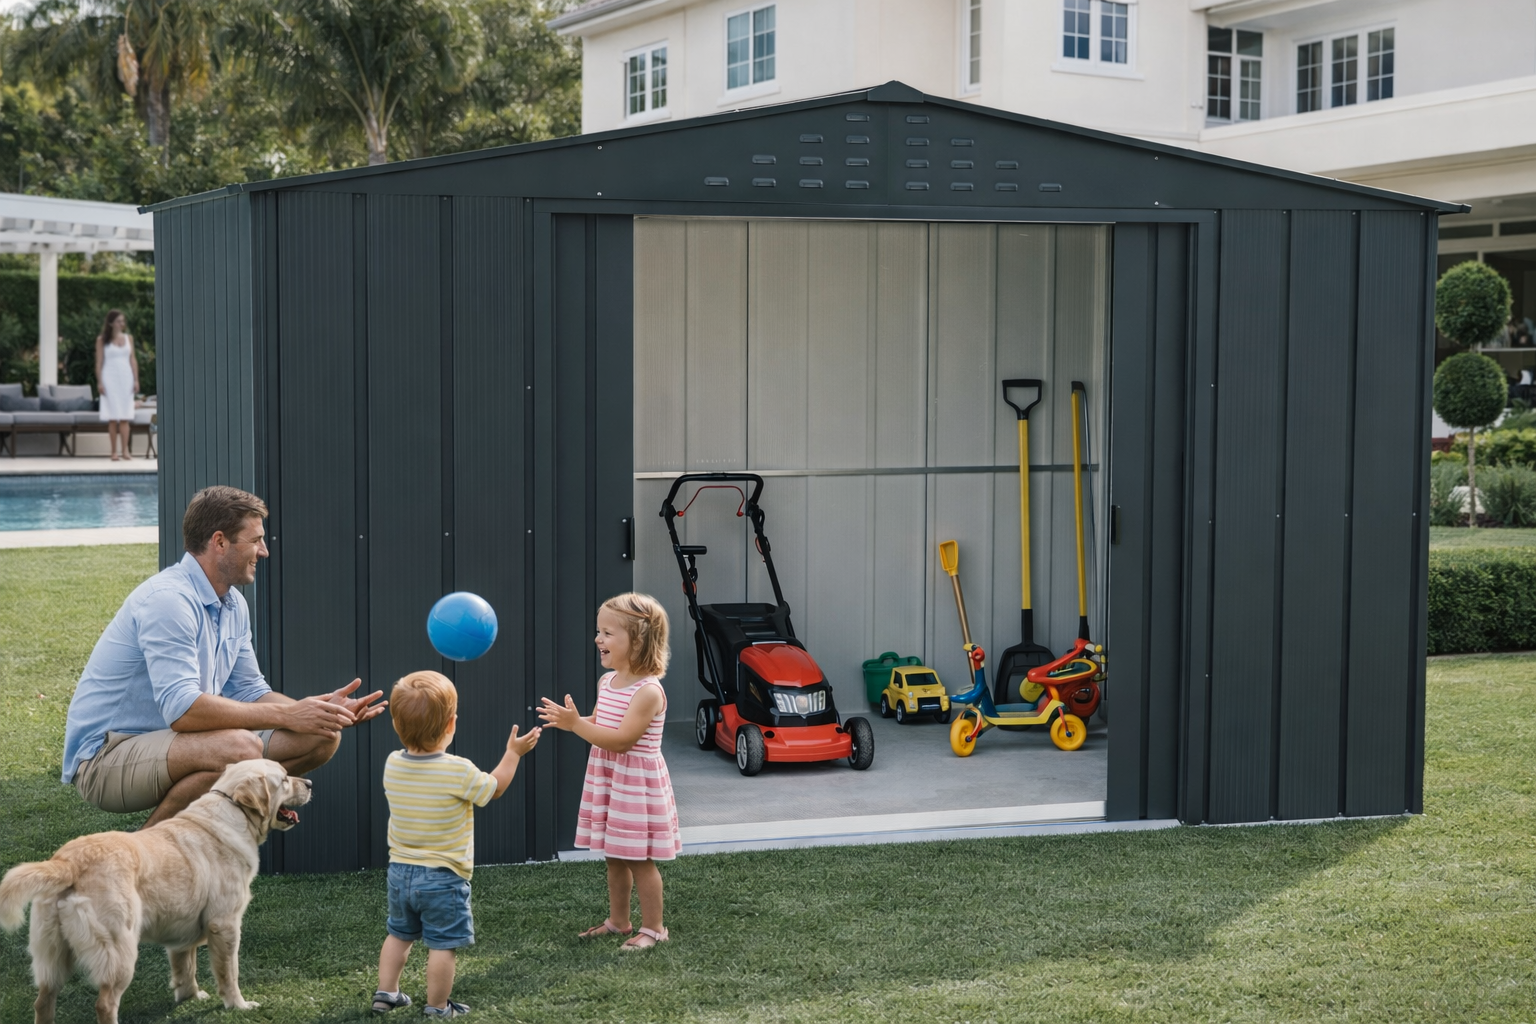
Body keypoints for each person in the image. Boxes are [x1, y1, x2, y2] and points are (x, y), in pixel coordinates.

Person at [61, 485, 386, 828]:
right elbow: (182, 710)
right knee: (238, 748)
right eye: (255, 540)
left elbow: (249, 691)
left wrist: (319, 715)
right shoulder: (168, 601)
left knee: (321, 738)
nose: (264, 551)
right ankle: (147, 854)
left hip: (174, 745)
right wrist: (289, 714)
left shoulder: (232, 604)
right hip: (105, 758)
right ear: (219, 542)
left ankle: (201, 848)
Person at [372, 671, 541, 1018]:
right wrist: (513, 753)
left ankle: (386, 993)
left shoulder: (392, 764)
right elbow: (494, 788)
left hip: (400, 873)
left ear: (395, 724)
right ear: (451, 724)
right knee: (443, 946)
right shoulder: (458, 770)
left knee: (398, 935)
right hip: (444, 877)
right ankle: (437, 1007)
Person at [538, 593, 681, 951]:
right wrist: (571, 721)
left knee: (638, 859)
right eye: (598, 631)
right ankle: (619, 921)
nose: (598, 639)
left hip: (635, 782)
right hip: (612, 778)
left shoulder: (648, 692)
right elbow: (601, 722)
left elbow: (621, 741)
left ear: (638, 641)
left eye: (607, 633)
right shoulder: (609, 682)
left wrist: (575, 726)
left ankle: (654, 929)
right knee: (615, 854)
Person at [94, 309, 140, 461]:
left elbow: (132, 359)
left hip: (126, 379)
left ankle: (125, 451)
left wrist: (136, 379)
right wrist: (100, 382)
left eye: (123, 321)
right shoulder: (102, 340)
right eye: (119, 321)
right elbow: (99, 362)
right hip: (110, 379)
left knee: (125, 416)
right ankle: (114, 451)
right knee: (113, 418)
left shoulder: (129, 339)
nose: (122, 324)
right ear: (111, 323)